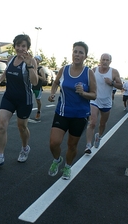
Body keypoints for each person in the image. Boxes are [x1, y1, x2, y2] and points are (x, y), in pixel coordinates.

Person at [47, 41, 97, 180]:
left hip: (80, 115)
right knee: (54, 143)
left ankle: (68, 167)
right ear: (72, 53)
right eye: (75, 51)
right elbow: (56, 83)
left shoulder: (89, 73)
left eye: (81, 52)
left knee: (72, 145)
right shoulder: (64, 69)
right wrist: (52, 93)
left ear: (85, 56)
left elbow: (94, 94)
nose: (77, 54)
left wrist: (84, 94)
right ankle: (57, 160)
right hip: (62, 112)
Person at [0, 34, 38, 168]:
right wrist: (0, 80)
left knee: (22, 127)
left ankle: (25, 148)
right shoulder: (10, 59)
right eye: (18, 45)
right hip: (9, 97)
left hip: (24, 100)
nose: (20, 48)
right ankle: (0, 156)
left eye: (23, 46)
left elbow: (34, 81)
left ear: (27, 48)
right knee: (1, 124)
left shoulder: (31, 61)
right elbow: (6, 72)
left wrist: (29, 66)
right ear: (14, 46)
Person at [84, 53, 122, 154]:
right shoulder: (94, 70)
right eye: (103, 59)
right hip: (94, 100)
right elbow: (87, 81)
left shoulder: (113, 72)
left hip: (106, 102)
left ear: (110, 61)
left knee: (102, 124)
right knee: (92, 122)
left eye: (107, 60)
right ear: (100, 61)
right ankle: (88, 145)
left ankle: (99, 136)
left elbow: (120, 85)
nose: (105, 61)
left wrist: (112, 83)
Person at [32, 55, 47, 120]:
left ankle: (38, 111)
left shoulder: (41, 69)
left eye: (36, 59)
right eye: (34, 59)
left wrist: (37, 75)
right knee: (27, 99)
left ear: (39, 61)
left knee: (38, 100)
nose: (35, 60)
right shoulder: (31, 67)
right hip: (31, 86)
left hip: (38, 87)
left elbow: (44, 79)